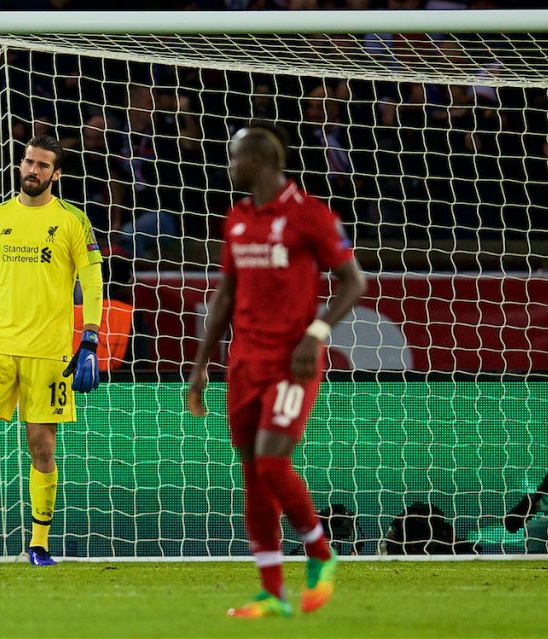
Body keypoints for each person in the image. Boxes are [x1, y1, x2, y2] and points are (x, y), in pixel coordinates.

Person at [186, 124, 366, 617]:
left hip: (293, 361)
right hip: (244, 362)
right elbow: (225, 295)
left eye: (232, 158)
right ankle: (272, 591)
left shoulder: (309, 215)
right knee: (252, 474)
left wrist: (317, 332)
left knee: (271, 462)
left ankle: (320, 552)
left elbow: (354, 281)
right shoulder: (238, 219)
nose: (227, 167)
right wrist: (201, 366)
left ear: (257, 161)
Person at [0, 134, 104, 567]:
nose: (32, 170)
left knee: (41, 448)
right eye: (28, 162)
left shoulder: (73, 221)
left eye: (42, 165)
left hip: (48, 352)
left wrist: (89, 338)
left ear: (57, 174)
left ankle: (39, 542)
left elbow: (91, 283)